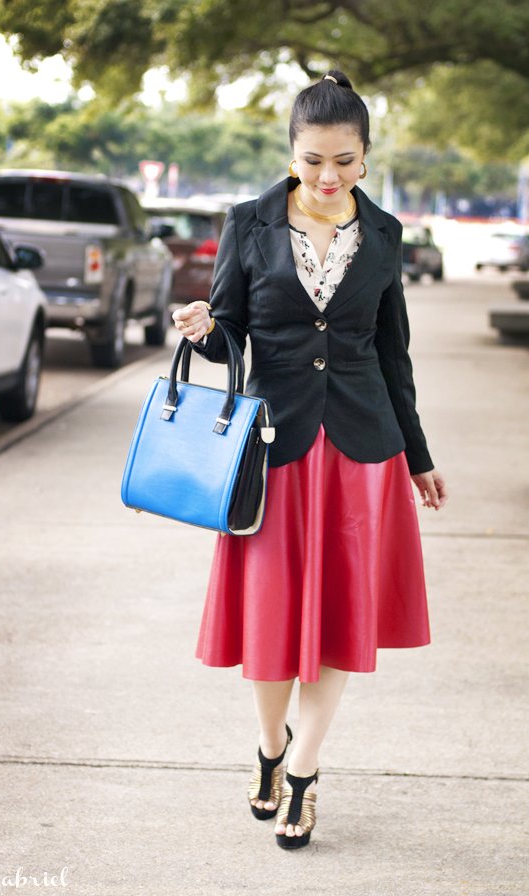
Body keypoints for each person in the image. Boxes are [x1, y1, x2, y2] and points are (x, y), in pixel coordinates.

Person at [172, 69, 448, 851]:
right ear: (292, 152)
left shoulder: (386, 234)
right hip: (276, 447)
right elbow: (232, 332)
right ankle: (269, 747)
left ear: (366, 156)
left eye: (346, 161)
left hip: (364, 450)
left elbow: (392, 354)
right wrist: (204, 328)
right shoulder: (248, 224)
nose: (328, 177)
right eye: (313, 160)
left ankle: (305, 772)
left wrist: (418, 455)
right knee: (270, 620)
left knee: (337, 624)